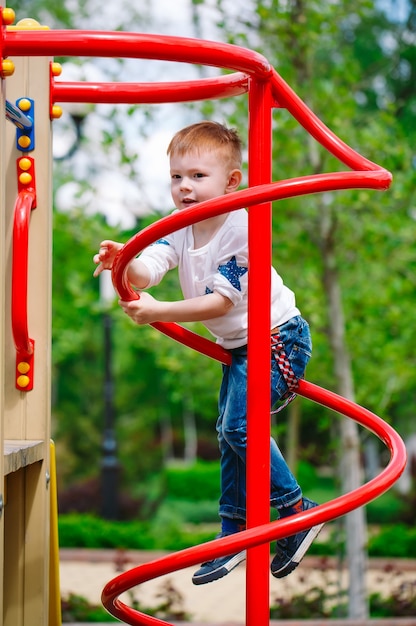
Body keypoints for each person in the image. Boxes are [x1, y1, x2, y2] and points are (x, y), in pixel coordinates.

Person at [93, 120, 323, 585]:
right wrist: (125, 262)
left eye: (198, 176)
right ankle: (232, 532)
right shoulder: (182, 228)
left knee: (238, 426)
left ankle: (298, 510)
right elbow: (148, 269)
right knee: (227, 432)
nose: (185, 187)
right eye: (177, 177)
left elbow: (221, 301)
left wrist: (160, 314)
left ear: (231, 182)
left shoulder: (241, 225)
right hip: (241, 348)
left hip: (279, 339)